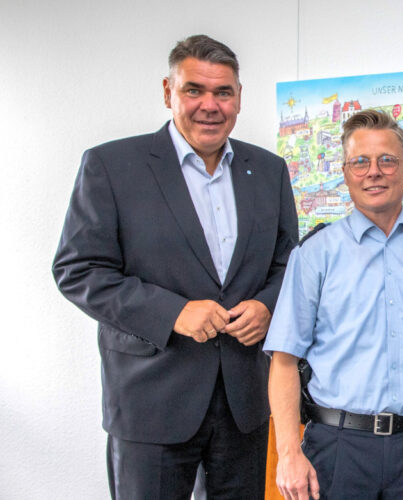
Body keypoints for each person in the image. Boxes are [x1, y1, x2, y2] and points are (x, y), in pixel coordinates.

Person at [52, 34, 298, 499]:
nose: (210, 105)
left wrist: (267, 306)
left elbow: (289, 263)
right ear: (168, 91)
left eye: (223, 92)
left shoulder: (268, 170)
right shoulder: (111, 166)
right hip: (151, 402)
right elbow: (79, 269)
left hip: (245, 403)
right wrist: (172, 313)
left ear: (239, 98)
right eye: (194, 90)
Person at [264, 109, 403, 500]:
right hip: (337, 448)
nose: (374, 172)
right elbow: (283, 361)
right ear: (346, 172)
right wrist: (288, 452)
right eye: (360, 162)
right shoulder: (315, 254)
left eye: (386, 160)